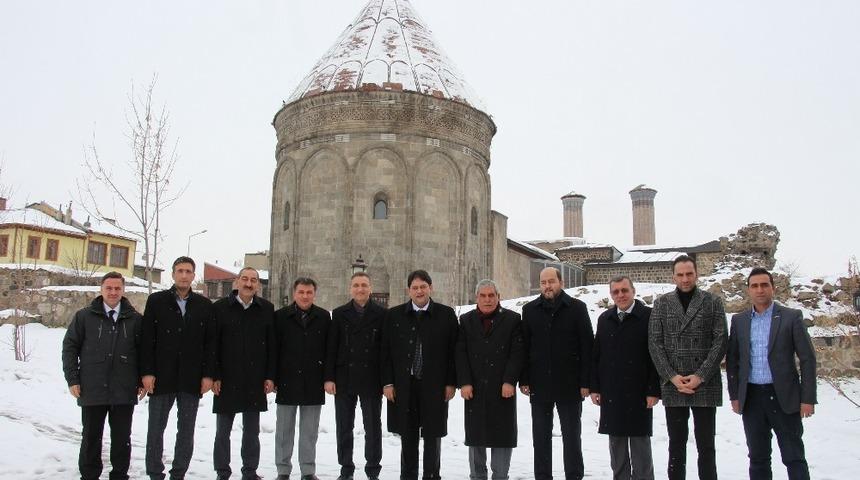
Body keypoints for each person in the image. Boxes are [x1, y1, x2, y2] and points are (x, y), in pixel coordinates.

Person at [726, 267, 817, 480]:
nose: (760, 290)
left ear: (773, 288)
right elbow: (733, 360)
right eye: (755, 286)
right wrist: (735, 395)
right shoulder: (739, 321)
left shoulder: (790, 317)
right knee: (758, 458)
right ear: (748, 290)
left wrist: (807, 398)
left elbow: (807, 358)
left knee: (793, 457)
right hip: (752, 398)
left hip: (784, 397)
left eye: (764, 285)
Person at [648, 255, 727, 480]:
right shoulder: (662, 303)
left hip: (704, 383)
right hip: (674, 384)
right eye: (680, 274)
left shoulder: (712, 302)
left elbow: (720, 340)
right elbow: (655, 343)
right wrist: (672, 376)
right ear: (673, 276)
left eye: (689, 274)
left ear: (696, 274)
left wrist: (700, 375)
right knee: (676, 445)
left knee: (706, 445)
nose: (685, 279)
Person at [62, 271, 144, 480]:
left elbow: (144, 352)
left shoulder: (135, 319)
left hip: (124, 389)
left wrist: (142, 378)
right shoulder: (84, 316)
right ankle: (89, 475)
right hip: (92, 387)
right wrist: (73, 379)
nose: (113, 292)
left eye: (117, 288)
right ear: (101, 289)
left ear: (123, 290)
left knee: (122, 438)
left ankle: (119, 475)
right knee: (91, 436)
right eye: (109, 288)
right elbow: (70, 347)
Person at [140, 256, 214, 480]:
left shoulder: (204, 305)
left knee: (186, 430)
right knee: (156, 429)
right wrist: (147, 372)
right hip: (162, 376)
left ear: (193, 276)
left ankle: (178, 473)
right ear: (173, 274)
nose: (184, 275)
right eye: (180, 271)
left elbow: (210, 343)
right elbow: (147, 339)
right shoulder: (157, 301)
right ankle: (155, 473)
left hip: (191, 378)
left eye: (188, 271)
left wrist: (208, 375)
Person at [381, 269, 458, 480]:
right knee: (408, 435)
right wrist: (387, 383)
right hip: (405, 385)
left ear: (430, 288)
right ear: (408, 291)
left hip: (434, 385)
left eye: (423, 286)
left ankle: (432, 475)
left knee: (433, 435)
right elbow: (385, 352)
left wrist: (451, 382)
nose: (419, 291)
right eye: (415, 288)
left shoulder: (446, 315)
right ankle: (408, 475)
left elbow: (454, 352)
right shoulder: (394, 315)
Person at [520, 267, 594, 480]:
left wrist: (585, 381)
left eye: (551, 281)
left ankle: (574, 476)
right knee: (540, 438)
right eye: (543, 282)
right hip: (539, 383)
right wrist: (524, 378)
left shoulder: (577, 308)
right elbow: (525, 347)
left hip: (569, 384)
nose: (547, 286)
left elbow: (586, 346)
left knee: (572, 437)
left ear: (560, 282)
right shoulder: (530, 310)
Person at [590, 275, 660, 480]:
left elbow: (656, 356)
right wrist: (595, 388)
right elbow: (597, 356)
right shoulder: (605, 319)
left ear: (633, 291)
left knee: (641, 448)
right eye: (615, 292)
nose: (620, 295)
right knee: (617, 447)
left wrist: (653, 390)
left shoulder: (649, 316)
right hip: (612, 392)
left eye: (624, 290)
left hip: (639, 392)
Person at [211, 267, 276, 480]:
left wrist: (269, 376)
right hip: (226, 379)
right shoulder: (220, 308)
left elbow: (271, 345)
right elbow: (213, 346)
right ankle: (222, 472)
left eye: (253, 280)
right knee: (223, 432)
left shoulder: (266, 309)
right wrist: (215, 375)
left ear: (258, 284)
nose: (249, 284)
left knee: (251, 432)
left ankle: (249, 471)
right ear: (237, 282)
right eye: (245, 279)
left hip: (254, 379)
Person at [455, 279, 524, 480]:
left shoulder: (512, 320)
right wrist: (465, 382)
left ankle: (500, 476)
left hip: (502, 389)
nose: (487, 300)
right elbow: (460, 353)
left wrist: (510, 380)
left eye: (491, 295)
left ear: (498, 297)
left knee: (501, 436)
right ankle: (477, 476)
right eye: (483, 296)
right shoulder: (466, 321)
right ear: (476, 298)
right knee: (476, 437)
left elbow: (517, 353)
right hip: (474, 389)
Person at [325, 272, 386, 480]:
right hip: (345, 377)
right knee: (344, 425)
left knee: (372, 426)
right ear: (350, 288)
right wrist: (329, 377)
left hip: (371, 378)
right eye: (356, 285)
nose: (360, 289)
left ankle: (373, 468)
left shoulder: (381, 314)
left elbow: (385, 351)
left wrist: (386, 380)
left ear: (370, 288)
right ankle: (346, 467)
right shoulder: (340, 314)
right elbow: (332, 347)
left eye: (364, 285)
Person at [273, 277, 331, 480]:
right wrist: (272, 377)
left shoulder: (324, 317)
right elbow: (274, 350)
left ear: (314, 294)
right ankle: (283, 469)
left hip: (313, 381)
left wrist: (328, 377)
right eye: (301, 292)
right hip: (287, 380)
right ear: (294, 293)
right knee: (283, 430)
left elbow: (329, 351)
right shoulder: (280, 317)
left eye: (309, 292)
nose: (305, 296)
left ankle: (307, 470)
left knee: (309, 431)